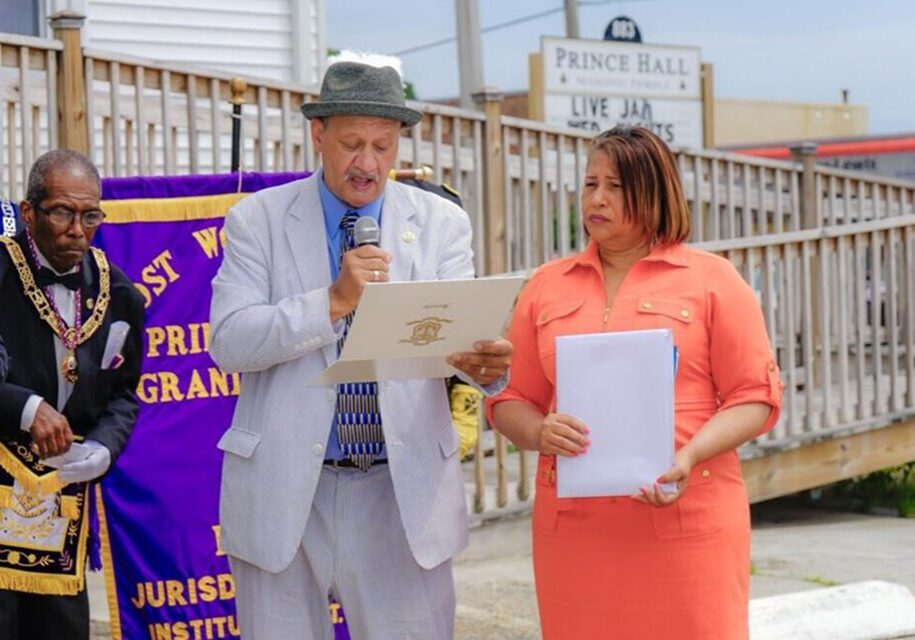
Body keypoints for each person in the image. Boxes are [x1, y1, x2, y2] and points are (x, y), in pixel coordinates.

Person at [209, 58, 512, 640]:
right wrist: (332, 301)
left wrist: (485, 366)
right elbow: (230, 342)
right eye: (351, 144)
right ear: (318, 135)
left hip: (401, 494)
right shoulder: (257, 221)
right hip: (283, 492)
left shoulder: (443, 224)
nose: (368, 163)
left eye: (382, 145)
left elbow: (458, 342)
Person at [486, 126, 783, 639]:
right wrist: (538, 432)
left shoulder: (713, 279)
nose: (597, 199)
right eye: (590, 184)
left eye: (616, 186)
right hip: (576, 532)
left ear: (655, 191)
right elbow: (511, 399)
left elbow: (755, 397)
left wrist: (690, 455)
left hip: (688, 520)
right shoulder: (545, 285)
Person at [0, 149, 145, 640]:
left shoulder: (119, 293)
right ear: (29, 212)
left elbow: (124, 393)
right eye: (62, 212)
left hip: (60, 507)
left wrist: (104, 445)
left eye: (90, 216)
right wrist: (27, 409)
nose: (77, 230)